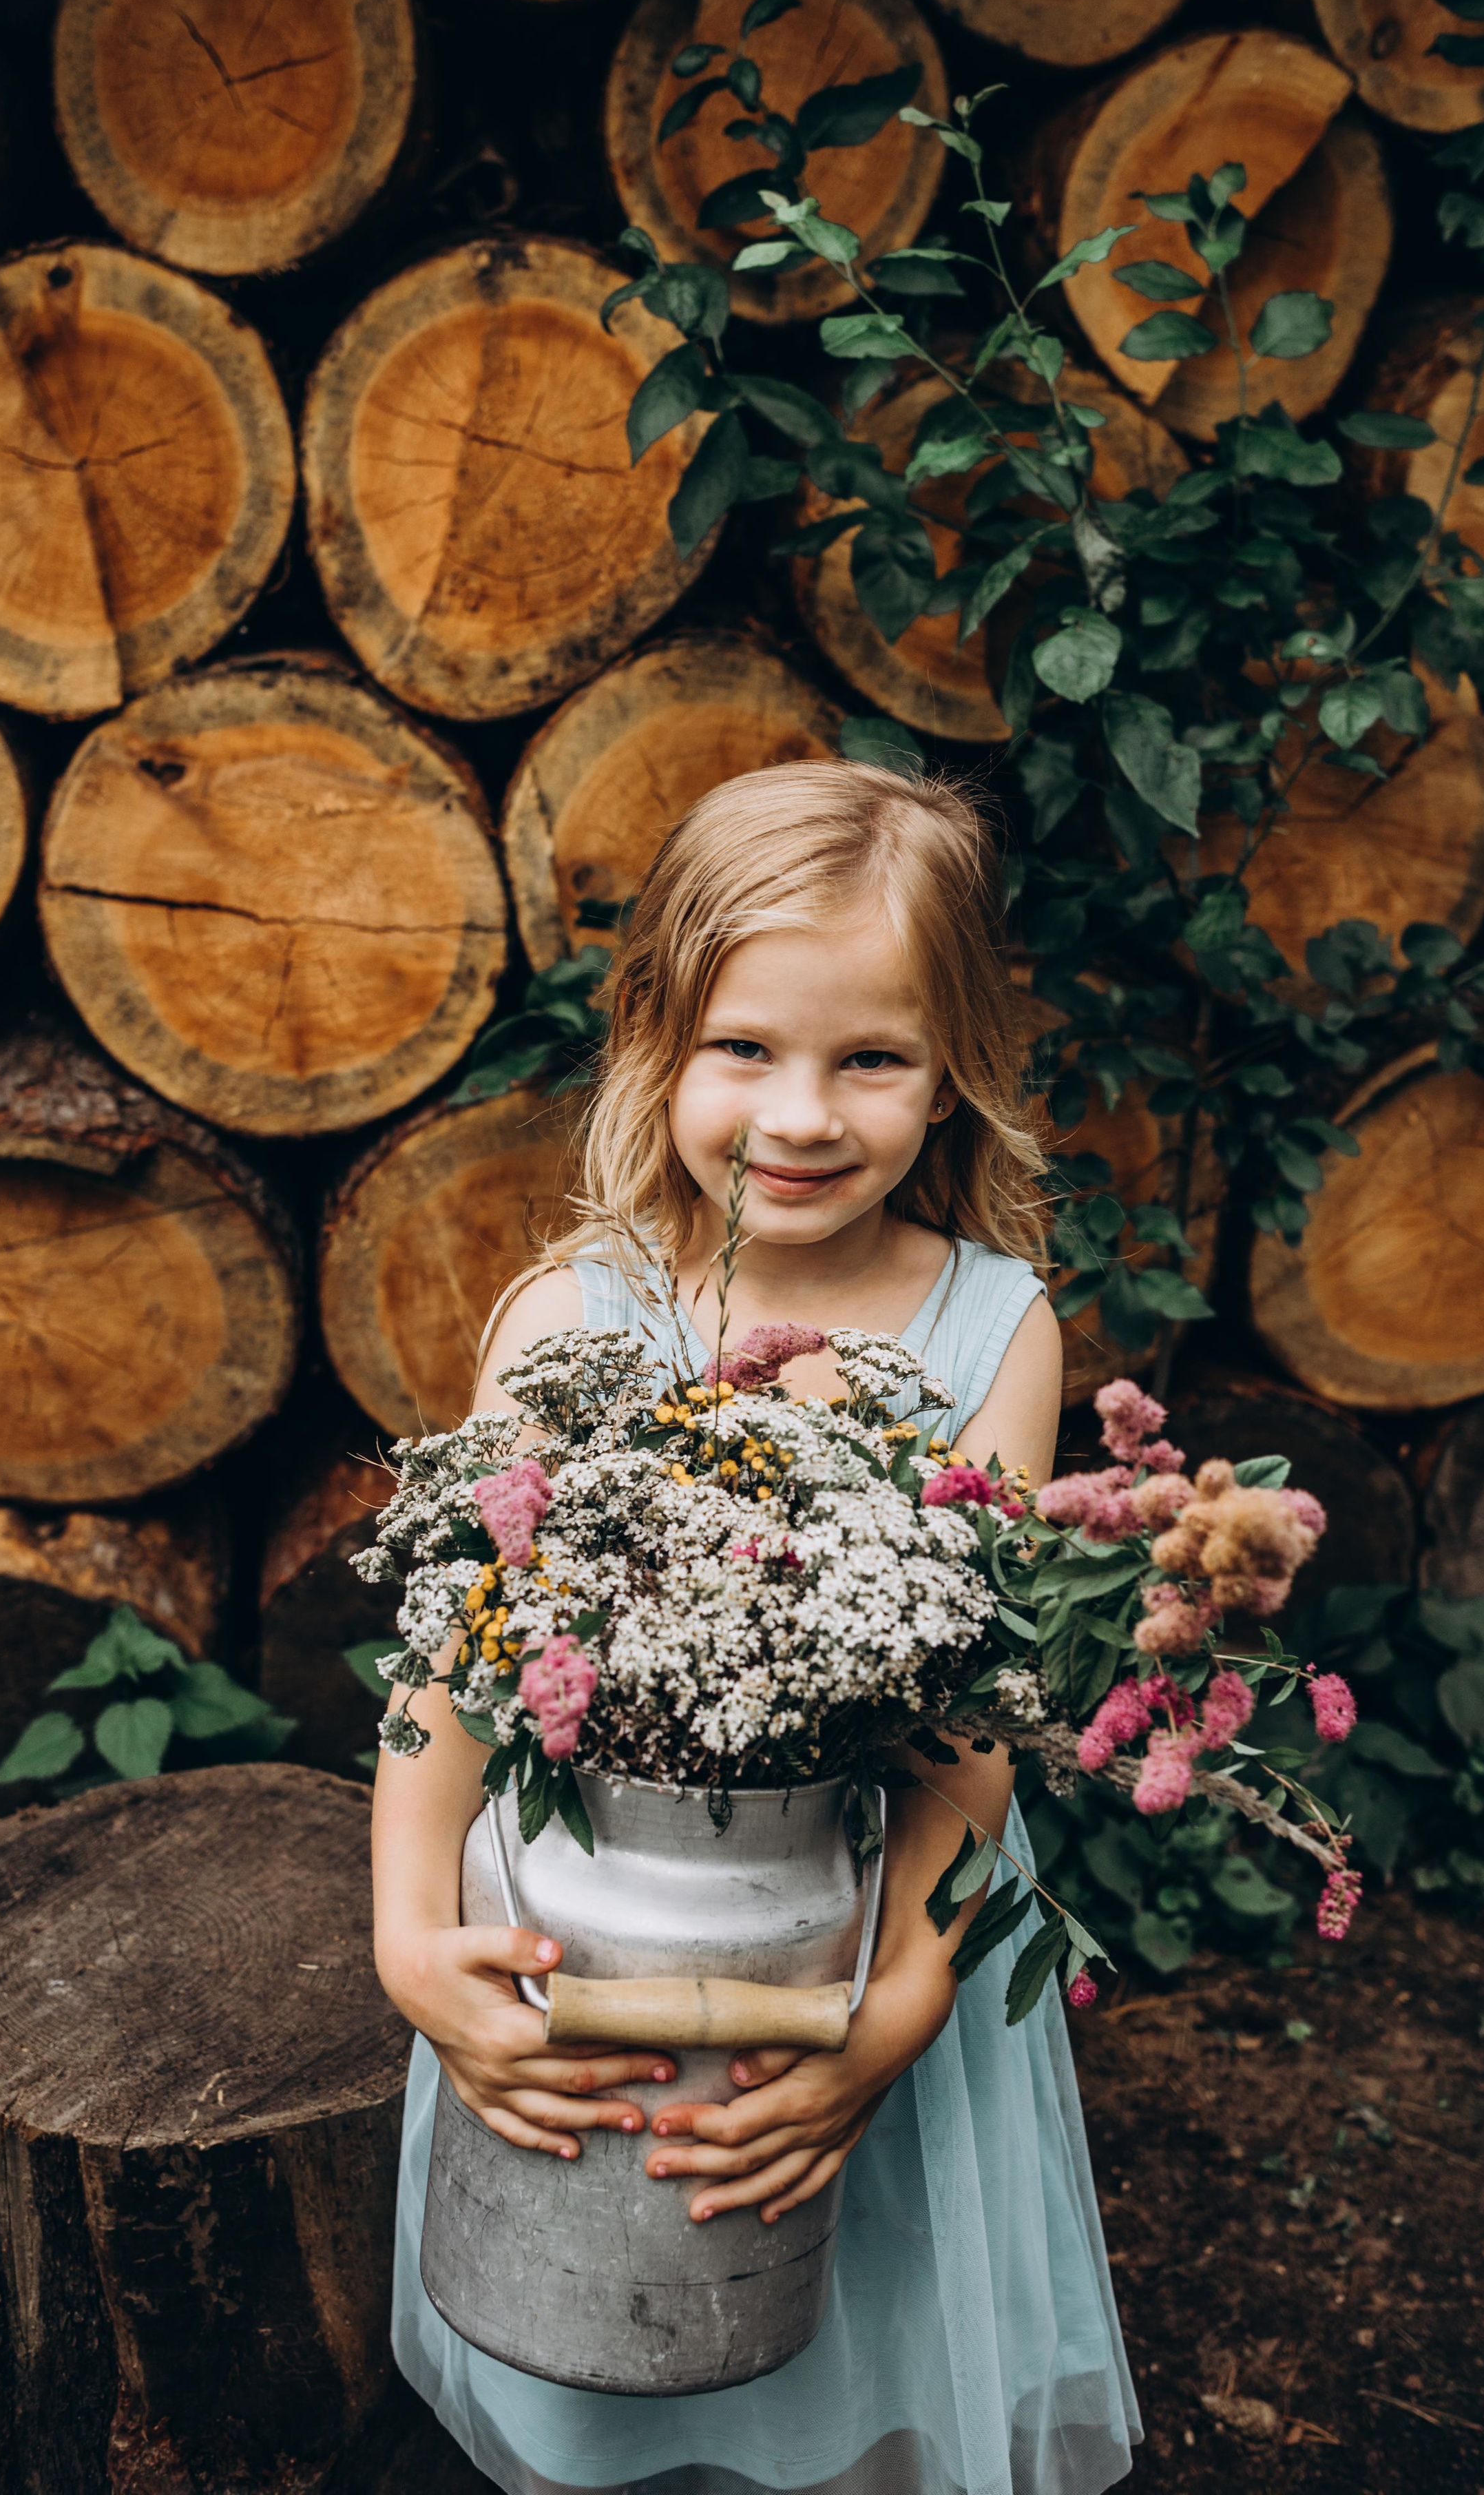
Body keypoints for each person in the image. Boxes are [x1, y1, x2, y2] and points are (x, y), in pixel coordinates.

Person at [371, 761, 1141, 2495]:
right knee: (598, 2293)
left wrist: (897, 2015)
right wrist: (414, 1945)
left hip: (860, 1939)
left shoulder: (986, 1327)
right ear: (653, 1042)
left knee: (854, 2336)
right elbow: (450, 1674)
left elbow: (969, 1725)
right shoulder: (577, 1314)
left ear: (948, 1074)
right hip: (599, 1933)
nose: (800, 1116)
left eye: (866, 1060)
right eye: (744, 1049)